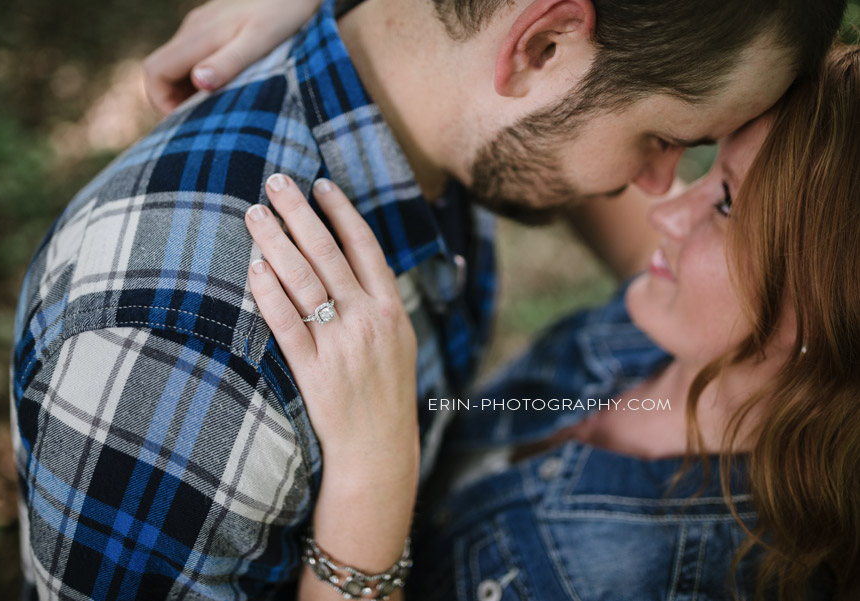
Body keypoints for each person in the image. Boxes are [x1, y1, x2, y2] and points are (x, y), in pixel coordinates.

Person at [10, 0, 845, 599]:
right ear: (543, 45)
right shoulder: (184, 351)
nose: (654, 198)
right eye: (663, 140)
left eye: (713, 182)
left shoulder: (437, 136)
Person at [243, 44, 860, 600]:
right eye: (712, 171)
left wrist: (371, 468)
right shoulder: (689, 324)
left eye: (726, 204)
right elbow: (591, 148)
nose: (670, 212)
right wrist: (338, 26)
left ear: (829, 310)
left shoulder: (670, 582)